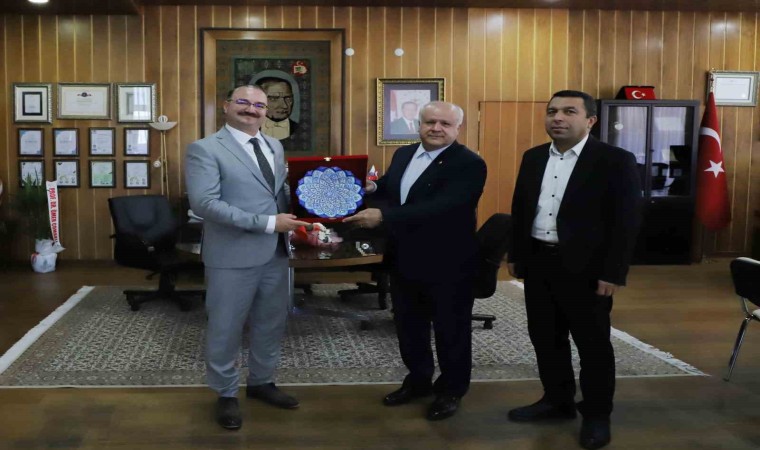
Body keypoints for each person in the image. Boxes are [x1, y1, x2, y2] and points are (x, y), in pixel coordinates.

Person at [507, 90, 641, 449]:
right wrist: (517, 254)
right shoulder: (534, 157)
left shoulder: (614, 160)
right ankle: (557, 400)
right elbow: (521, 208)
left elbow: (626, 221)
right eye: (552, 111)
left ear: (590, 120)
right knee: (545, 337)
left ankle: (596, 414)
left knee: (592, 344)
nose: (558, 118)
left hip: (587, 268)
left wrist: (613, 272)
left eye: (569, 111)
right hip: (539, 261)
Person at [344, 101, 486, 421]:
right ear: (418, 124)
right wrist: (373, 186)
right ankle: (418, 381)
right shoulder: (404, 154)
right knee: (409, 325)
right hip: (404, 255)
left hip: (448, 261)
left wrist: (384, 216)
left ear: (458, 128)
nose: (436, 128)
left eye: (445, 124)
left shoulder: (469, 163)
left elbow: (443, 207)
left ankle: (451, 390)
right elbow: (393, 187)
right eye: (430, 122)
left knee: (450, 329)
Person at [185, 85, 310, 430]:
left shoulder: (274, 146)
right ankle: (225, 393)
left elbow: (279, 193)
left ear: (266, 111)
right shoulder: (205, 149)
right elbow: (205, 204)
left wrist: (321, 202)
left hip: (275, 253)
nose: (251, 109)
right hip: (231, 253)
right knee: (225, 327)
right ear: (226, 106)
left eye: (259, 105)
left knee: (271, 322)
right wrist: (268, 223)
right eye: (243, 102)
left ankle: (261, 382)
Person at [256, 77, 299, 146]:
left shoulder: (302, 130)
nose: (284, 106)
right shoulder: (245, 129)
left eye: (288, 98)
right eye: (274, 99)